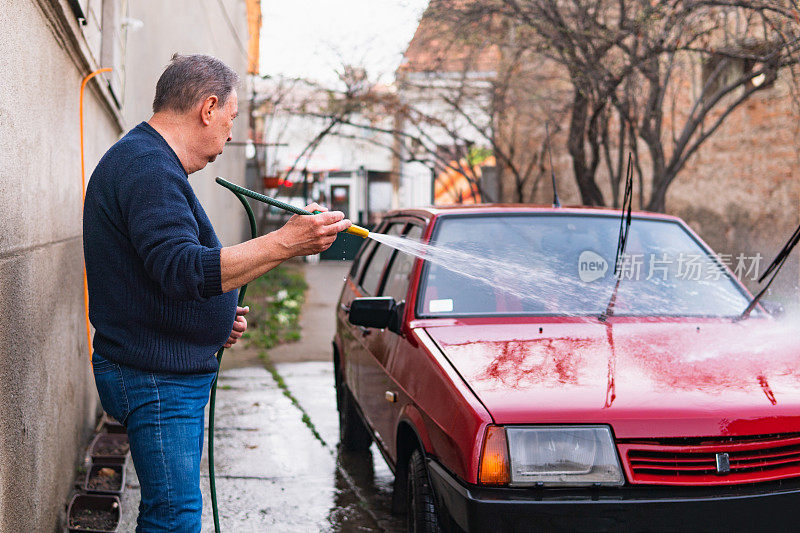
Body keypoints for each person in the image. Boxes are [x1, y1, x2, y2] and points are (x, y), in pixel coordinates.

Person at [82, 54, 350, 532]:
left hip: (159, 368)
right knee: (174, 516)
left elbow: (154, 276)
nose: (230, 135)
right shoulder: (147, 170)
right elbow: (183, 269)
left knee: (174, 509)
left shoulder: (149, 163)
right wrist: (286, 241)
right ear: (208, 108)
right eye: (230, 119)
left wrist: (213, 316)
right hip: (156, 378)